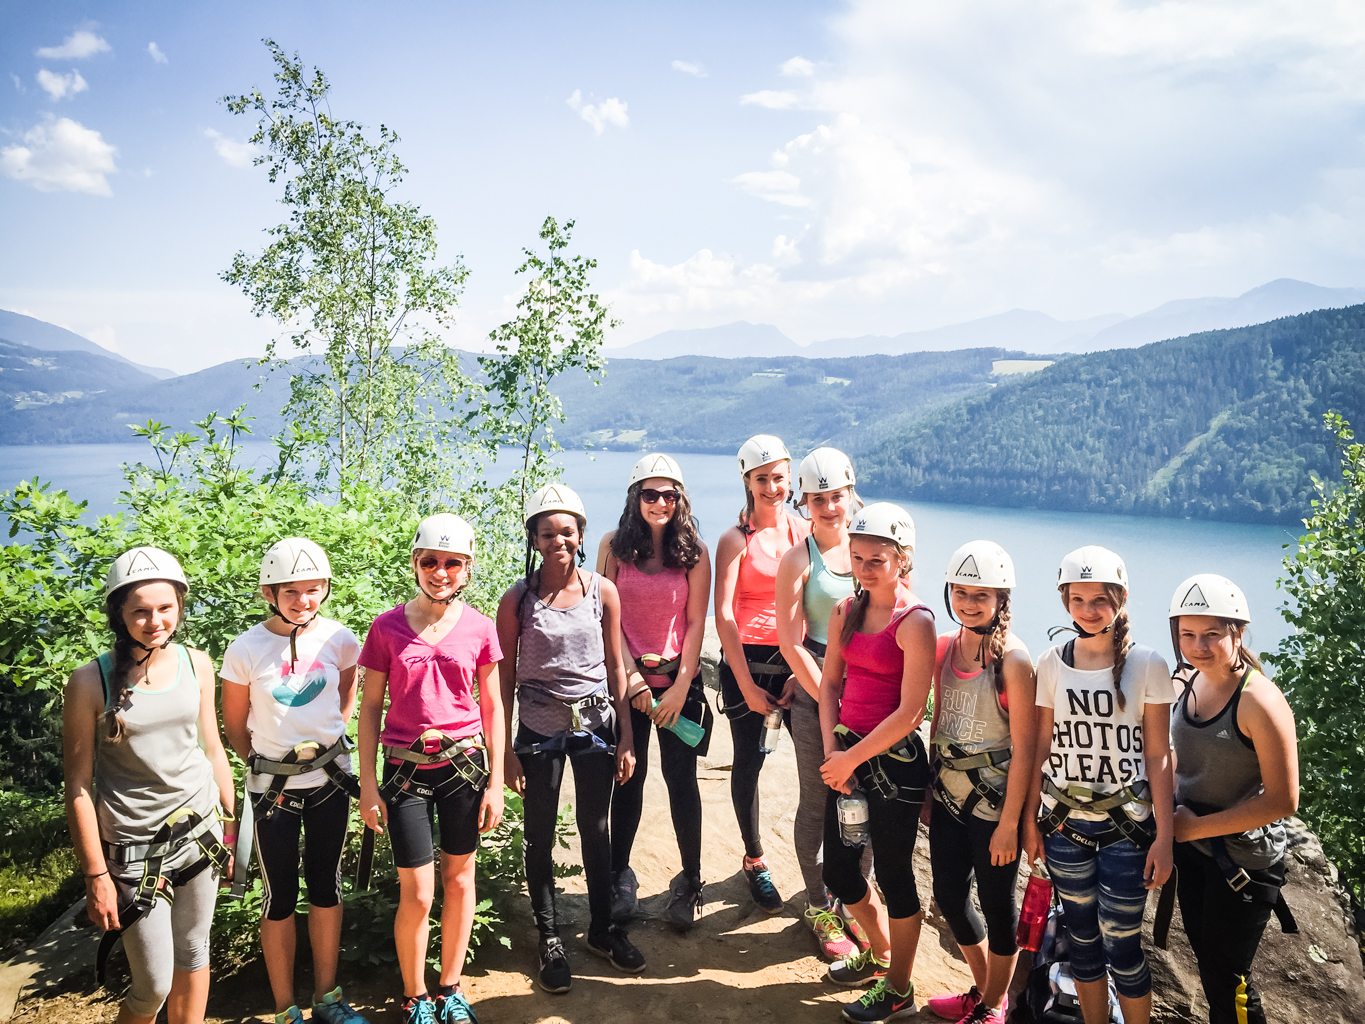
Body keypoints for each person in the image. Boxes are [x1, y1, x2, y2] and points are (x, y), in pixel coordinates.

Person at [62, 546, 237, 1024]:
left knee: (195, 952)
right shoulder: (89, 682)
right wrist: (96, 876)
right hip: (134, 850)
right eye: (139, 610)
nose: (155, 620)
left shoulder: (196, 663)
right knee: (153, 985)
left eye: (165, 608)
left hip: (201, 833)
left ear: (180, 606)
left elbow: (212, 747)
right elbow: (77, 786)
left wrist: (232, 827)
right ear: (119, 614)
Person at [356, 514, 505, 1024]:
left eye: (452, 563)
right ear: (416, 563)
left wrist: (497, 784)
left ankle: (450, 989)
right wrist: (368, 785)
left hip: (464, 768)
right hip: (405, 771)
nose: (440, 572)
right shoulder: (386, 628)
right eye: (431, 562)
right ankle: (415, 995)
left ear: (466, 568)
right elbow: (371, 707)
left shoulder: (481, 628)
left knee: (461, 881)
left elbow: (492, 707)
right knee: (418, 891)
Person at [497, 483, 644, 994]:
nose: (557, 540)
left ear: (580, 534)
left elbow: (614, 667)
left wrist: (626, 737)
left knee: (595, 828)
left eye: (567, 531)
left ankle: (602, 929)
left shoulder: (602, 591)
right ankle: (551, 938)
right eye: (547, 532)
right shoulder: (518, 600)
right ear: (534, 539)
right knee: (538, 832)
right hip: (538, 729)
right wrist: (507, 753)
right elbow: (505, 679)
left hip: (595, 725)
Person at [1021, 546, 1174, 1024]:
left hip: (1127, 830)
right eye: (1078, 600)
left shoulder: (1147, 664)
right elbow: (1041, 749)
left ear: (1122, 598)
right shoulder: (1050, 663)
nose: (1089, 611)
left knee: (1123, 946)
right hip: (1063, 825)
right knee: (1081, 943)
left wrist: (1165, 838)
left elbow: (1158, 754)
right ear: (1065, 601)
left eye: (1101, 600)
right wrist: (1030, 822)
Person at [220, 538, 368, 1024]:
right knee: (279, 894)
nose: (303, 600)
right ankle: (285, 1008)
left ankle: (328, 997)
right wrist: (269, 766)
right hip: (273, 792)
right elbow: (235, 726)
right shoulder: (245, 649)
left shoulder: (341, 639)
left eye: (313, 589)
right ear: (270, 592)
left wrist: (324, 745)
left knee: (326, 885)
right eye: (291, 591)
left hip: (330, 782)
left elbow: (345, 700)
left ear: (324, 589)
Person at [819, 503, 935, 1024]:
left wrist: (849, 759)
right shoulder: (846, 610)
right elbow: (829, 686)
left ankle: (899, 989)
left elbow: (911, 712)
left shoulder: (917, 622)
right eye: (858, 556)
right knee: (841, 872)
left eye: (878, 559)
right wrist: (831, 753)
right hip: (846, 754)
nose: (865, 567)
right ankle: (881, 951)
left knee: (893, 874)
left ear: (902, 560)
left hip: (894, 766)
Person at [1167, 574, 1299, 1024]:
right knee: (1210, 967)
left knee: (1230, 980)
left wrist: (1193, 828)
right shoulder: (1186, 680)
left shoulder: (1258, 699)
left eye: (1211, 634)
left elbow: (1284, 799)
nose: (1198, 645)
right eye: (1188, 634)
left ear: (1237, 632)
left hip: (1241, 860)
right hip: (1197, 851)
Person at [598, 454, 714, 930]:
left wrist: (680, 686)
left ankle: (690, 881)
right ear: (635, 498)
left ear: (680, 499)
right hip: (629, 686)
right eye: (650, 494)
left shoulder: (695, 553)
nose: (660, 502)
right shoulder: (612, 547)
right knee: (628, 778)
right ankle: (619, 875)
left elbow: (694, 625)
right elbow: (608, 620)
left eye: (669, 495)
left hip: (677, 687)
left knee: (682, 784)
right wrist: (632, 678)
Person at [925, 542, 1036, 1024]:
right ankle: (985, 989)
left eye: (981, 595)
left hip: (993, 809)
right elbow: (938, 721)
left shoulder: (1012, 658)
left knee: (996, 904)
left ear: (1001, 600)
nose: (969, 602)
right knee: (949, 895)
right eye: (961, 591)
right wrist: (931, 789)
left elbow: (1027, 748)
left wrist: (1012, 821)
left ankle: (993, 1004)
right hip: (949, 797)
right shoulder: (945, 646)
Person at [775, 447, 868, 960]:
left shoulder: (875, 547)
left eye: (836, 495)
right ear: (804, 501)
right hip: (816, 690)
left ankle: (852, 900)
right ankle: (817, 906)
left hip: (871, 690)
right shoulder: (798, 558)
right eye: (818, 498)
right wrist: (829, 699)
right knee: (820, 799)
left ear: (851, 493)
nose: (830, 507)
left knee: (867, 800)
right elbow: (792, 642)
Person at [714, 434, 812, 914]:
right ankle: (755, 859)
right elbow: (725, 616)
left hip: (797, 664)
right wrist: (748, 685)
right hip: (749, 666)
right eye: (762, 479)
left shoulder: (805, 532)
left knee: (815, 766)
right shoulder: (736, 539)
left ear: (790, 476)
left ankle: (823, 871)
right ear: (747, 483)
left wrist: (801, 669)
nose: (772, 486)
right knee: (748, 765)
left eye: (778, 476)